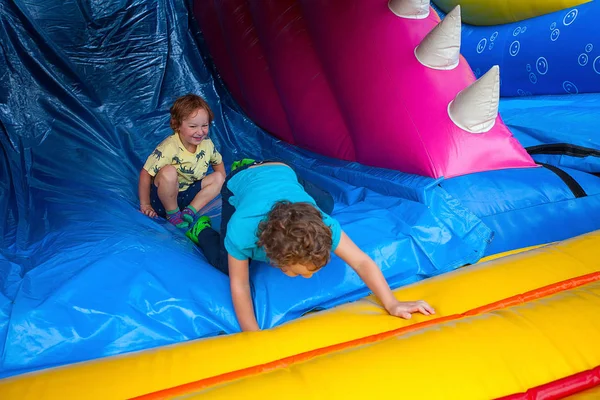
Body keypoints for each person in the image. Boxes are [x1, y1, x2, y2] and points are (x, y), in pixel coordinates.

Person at [187, 159, 435, 332]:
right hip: (240, 181)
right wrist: (253, 335)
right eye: (301, 271)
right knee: (225, 263)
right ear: (277, 259)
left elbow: (361, 261)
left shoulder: (323, 224)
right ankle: (202, 230)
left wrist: (391, 302)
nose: (307, 279)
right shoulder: (242, 230)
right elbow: (239, 284)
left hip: (280, 169)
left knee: (326, 203)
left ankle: (259, 166)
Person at [138, 94, 225, 229]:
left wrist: (224, 186)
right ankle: (172, 214)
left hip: (188, 195)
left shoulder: (207, 144)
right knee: (169, 171)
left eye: (205, 125)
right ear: (177, 125)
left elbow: (217, 162)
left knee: (219, 178)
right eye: (193, 126)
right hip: (164, 200)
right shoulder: (169, 147)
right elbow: (145, 173)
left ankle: (190, 211)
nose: (200, 131)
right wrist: (146, 204)